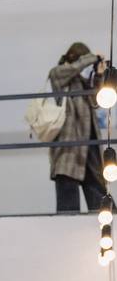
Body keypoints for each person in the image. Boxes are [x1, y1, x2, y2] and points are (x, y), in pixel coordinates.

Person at [48, 42, 106, 213]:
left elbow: (96, 101)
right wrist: (93, 58)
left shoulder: (82, 82)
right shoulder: (59, 75)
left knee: (100, 205)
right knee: (68, 210)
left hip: (89, 150)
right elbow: (71, 69)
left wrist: (98, 75)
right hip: (69, 151)